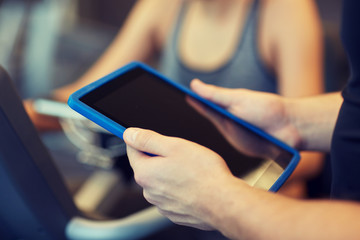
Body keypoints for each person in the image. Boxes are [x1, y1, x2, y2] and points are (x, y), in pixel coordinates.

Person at [26, 0, 325, 198]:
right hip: (179, 192)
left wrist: (219, 181)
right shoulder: (164, 5)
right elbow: (86, 93)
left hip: (258, 198)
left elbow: (310, 157)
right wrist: (22, 115)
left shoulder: (285, 10)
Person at [121, 0, 360, 239]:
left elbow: (310, 164)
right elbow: (91, 87)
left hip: (268, 210)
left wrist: (216, 193)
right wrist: (292, 121)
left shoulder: (284, 10)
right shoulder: (163, 6)